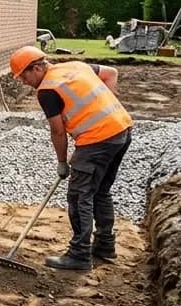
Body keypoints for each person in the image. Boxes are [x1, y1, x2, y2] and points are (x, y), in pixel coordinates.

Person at [9, 46, 133, 270]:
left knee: (78, 196)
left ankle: (80, 255)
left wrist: (62, 163)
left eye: (24, 76)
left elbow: (57, 131)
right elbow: (110, 73)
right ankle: (105, 245)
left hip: (97, 139)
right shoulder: (76, 66)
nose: (24, 82)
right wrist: (106, 105)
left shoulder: (47, 90)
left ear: (36, 68)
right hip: (122, 130)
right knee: (100, 192)